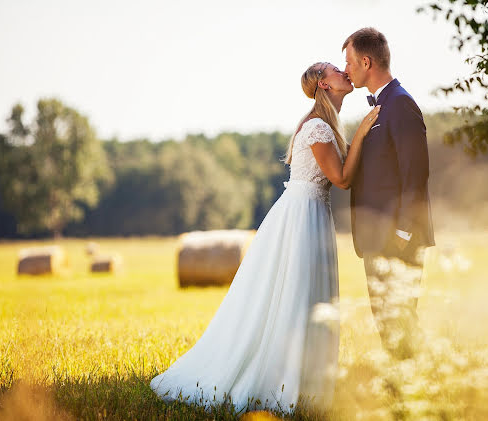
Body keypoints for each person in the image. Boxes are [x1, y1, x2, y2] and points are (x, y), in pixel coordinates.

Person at [149, 62, 380, 413]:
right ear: (322, 84)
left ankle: (305, 383)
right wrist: (363, 133)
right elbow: (342, 179)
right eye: (336, 69)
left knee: (306, 297)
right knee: (294, 295)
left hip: (314, 214)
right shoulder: (317, 126)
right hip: (301, 217)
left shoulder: (327, 123)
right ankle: (278, 380)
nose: (344, 71)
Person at [342, 27, 435, 359]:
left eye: (350, 62)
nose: (347, 70)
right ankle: (405, 390)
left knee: (399, 321)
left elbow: (416, 172)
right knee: (387, 323)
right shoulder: (382, 105)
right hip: (378, 237)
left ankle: (415, 394)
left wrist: (402, 231)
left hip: (397, 237)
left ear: (366, 61)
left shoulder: (401, 104)